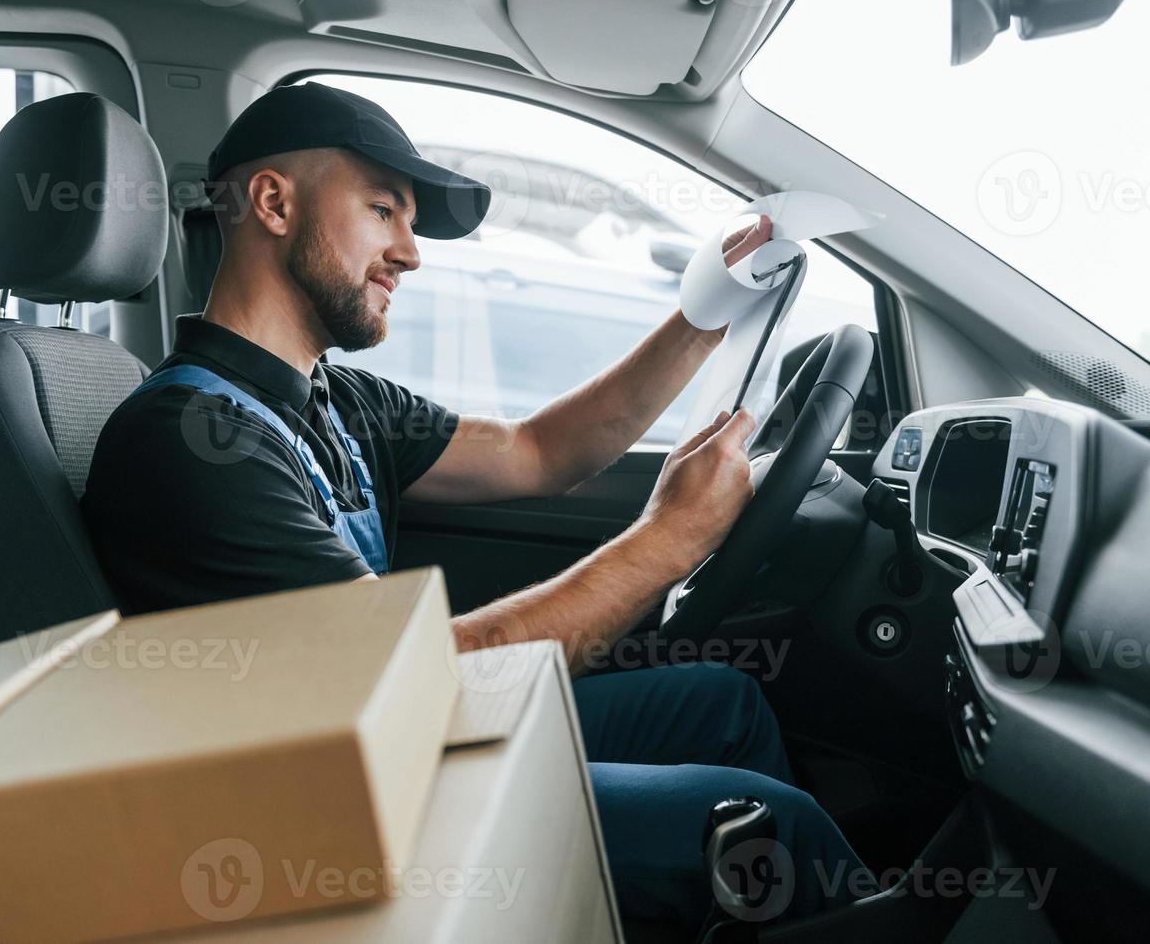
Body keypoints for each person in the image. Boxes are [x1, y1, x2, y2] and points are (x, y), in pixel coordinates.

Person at [82, 82, 869, 928]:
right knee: (767, 827)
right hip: (327, 810)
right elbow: (423, 681)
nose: (410, 252)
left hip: (390, 742)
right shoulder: (190, 439)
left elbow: (542, 451)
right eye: (384, 210)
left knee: (719, 702)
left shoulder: (336, 401)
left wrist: (708, 310)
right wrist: (671, 537)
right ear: (273, 203)